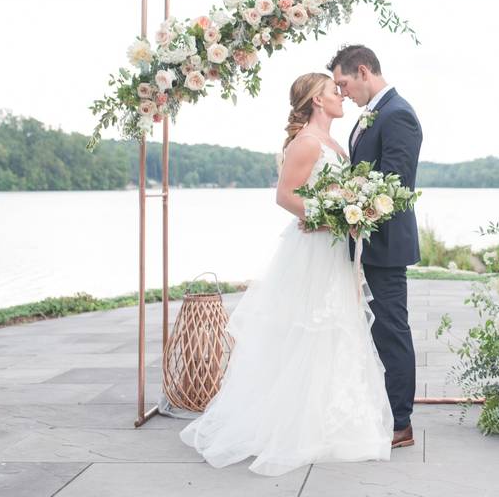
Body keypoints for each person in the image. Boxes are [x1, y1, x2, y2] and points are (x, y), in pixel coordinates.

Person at [179, 72, 393, 476]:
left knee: (338, 327)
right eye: (334, 91)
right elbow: (285, 195)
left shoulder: (334, 143)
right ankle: (295, 425)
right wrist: (327, 217)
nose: (341, 95)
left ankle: (335, 420)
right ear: (317, 100)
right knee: (309, 328)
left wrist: (350, 214)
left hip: (336, 253)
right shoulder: (308, 142)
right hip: (312, 252)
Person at [329, 44, 423, 449]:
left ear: (363, 71)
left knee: (391, 329)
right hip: (365, 241)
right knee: (373, 329)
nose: (343, 92)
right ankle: (379, 408)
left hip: (385, 244)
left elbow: (395, 184)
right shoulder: (374, 114)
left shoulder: (397, 114)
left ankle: (400, 421)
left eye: (344, 83)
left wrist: (350, 208)